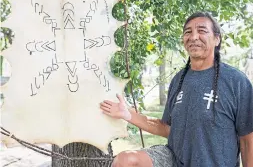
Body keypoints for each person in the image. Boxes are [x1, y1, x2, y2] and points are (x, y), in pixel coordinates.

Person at [100, 12, 253, 167]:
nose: (193, 37)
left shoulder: (236, 81)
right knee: (126, 161)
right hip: (174, 159)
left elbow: (248, 139)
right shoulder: (179, 80)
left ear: (217, 39)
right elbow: (167, 128)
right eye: (188, 32)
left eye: (202, 31)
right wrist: (129, 115)